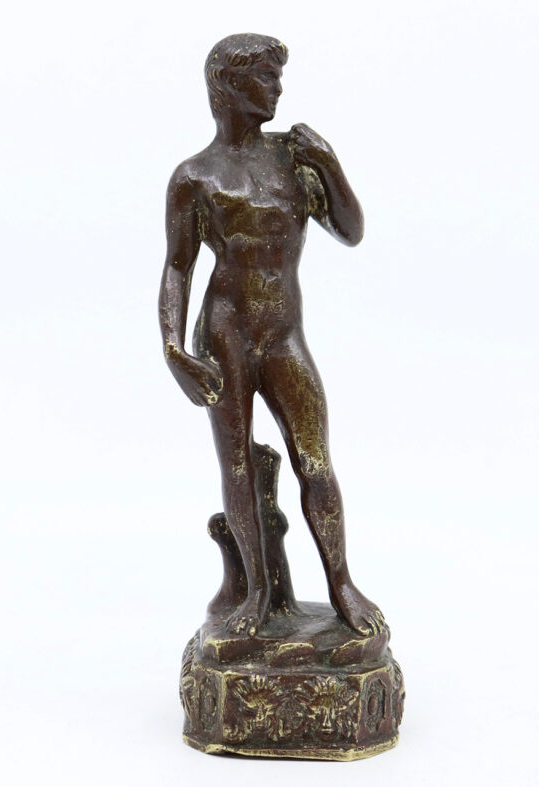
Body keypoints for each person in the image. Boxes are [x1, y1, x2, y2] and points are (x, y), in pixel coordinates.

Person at [158, 33, 384, 638]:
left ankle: (341, 584)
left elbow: (351, 230)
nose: (278, 88)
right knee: (236, 465)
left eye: (278, 77)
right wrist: (173, 348)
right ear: (230, 86)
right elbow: (178, 267)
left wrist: (329, 163)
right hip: (226, 334)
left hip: (284, 335)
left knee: (315, 460)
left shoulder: (294, 159)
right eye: (265, 77)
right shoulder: (195, 176)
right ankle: (256, 593)